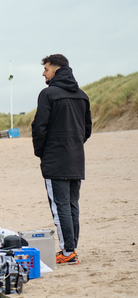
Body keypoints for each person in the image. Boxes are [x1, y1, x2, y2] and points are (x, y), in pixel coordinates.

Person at [31, 54, 91, 265]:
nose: (43, 73)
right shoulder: (82, 95)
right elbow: (87, 130)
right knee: (72, 204)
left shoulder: (48, 94)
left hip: (56, 159)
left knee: (61, 206)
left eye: (46, 69)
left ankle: (68, 251)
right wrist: (74, 145)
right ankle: (71, 248)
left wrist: (42, 152)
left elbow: (39, 127)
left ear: (56, 70)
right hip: (75, 158)